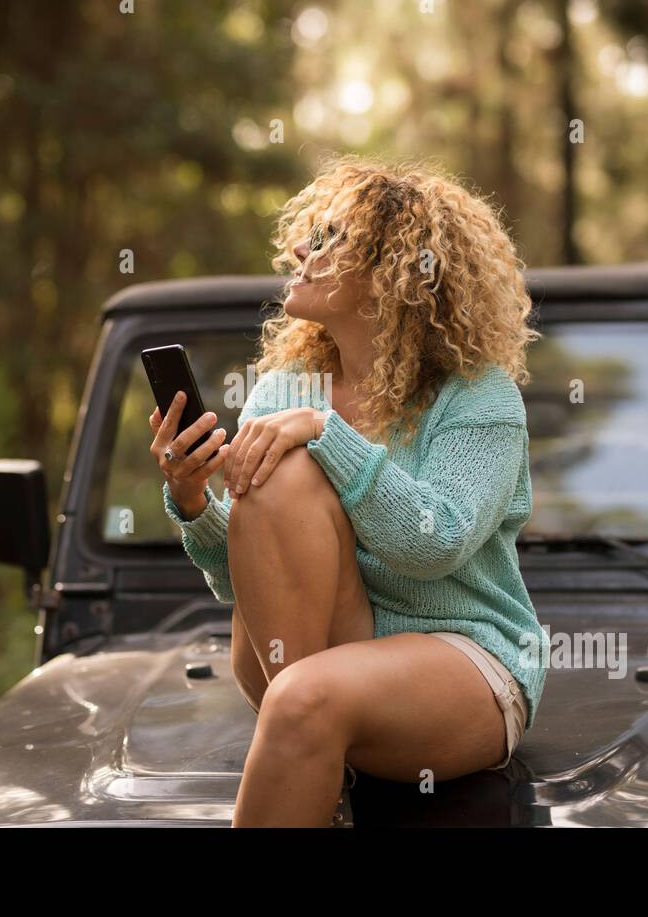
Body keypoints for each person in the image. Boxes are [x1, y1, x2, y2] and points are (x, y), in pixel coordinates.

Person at [148, 155, 548, 826]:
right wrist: (195, 505)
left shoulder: (479, 397)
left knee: (303, 696)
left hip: (459, 660)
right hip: (310, 654)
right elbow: (252, 581)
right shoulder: (284, 391)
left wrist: (327, 431)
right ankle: (311, 740)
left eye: (331, 240)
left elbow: (436, 543)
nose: (300, 249)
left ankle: (310, 739)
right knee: (278, 476)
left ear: (391, 274)